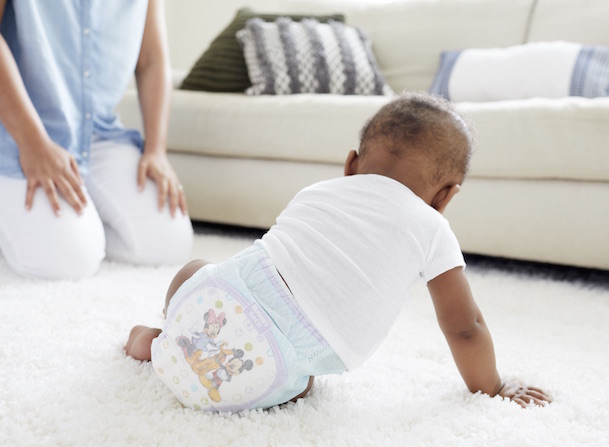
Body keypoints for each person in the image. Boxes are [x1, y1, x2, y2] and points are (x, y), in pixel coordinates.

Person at [125, 92, 551, 412]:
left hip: (218, 300)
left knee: (198, 269)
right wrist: (494, 387)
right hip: (274, 367)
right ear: (445, 197)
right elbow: (465, 328)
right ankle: (272, 382)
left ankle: (160, 337)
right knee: (305, 381)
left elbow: (276, 259)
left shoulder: (318, 190)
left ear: (351, 165)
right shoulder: (433, 228)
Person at [0, 0, 193, 279]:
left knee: (170, 242)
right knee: (70, 260)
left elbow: (152, 59)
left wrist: (156, 150)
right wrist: (33, 144)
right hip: (20, 134)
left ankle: (72, 225)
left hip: (98, 133)